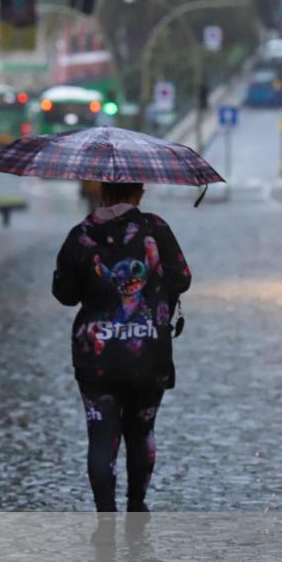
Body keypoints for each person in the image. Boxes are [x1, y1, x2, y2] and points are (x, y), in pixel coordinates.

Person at [52, 181, 191, 512]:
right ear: (140, 192)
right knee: (142, 432)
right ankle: (136, 504)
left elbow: (64, 293)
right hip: (148, 352)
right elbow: (182, 278)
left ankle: (105, 515)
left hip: (97, 355)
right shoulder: (156, 229)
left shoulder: (81, 235)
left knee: (101, 436)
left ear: (102, 191)